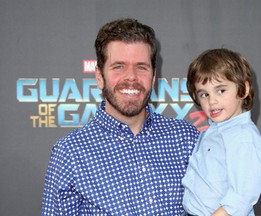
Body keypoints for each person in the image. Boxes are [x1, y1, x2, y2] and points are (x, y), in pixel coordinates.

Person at [42, 18, 199, 215]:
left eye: (141, 67)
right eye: (119, 66)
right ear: (99, 77)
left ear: (153, 75)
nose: (131, 77)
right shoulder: (70, 153)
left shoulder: (185, 138)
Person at [182, 48, 261, 216]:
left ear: (243, 90)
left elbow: (241, 197)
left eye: (221, 90)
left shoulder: (244, 138)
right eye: (204, 94)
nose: (212, 101)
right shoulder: (213, 131)